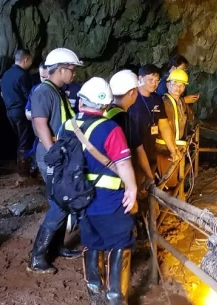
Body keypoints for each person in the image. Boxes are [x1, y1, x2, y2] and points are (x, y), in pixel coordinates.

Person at [61, 78, 137, 304]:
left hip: (80, 199)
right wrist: (132, 188)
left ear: (81, 100)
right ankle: (115, 297)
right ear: (105, 106)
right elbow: (122, 163)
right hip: (109, 200)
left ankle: (95, 293)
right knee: (120, 242)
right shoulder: (110, 128)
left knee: (92, 242)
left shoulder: (67, 126)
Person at [28, 48, 84, 273]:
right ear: (60, 69)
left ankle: (57, 246)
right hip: (52, 155)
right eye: (72, 69)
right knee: (60, 204)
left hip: (61, 153)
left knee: (64, 202)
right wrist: (54, 152)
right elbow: (40, 123)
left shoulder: (57, 91)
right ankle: (37, 257)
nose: (74, 74)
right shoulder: (44, 91)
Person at [128, 64, 179, 182]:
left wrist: (173, 150)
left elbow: (164, 125)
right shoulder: (131, 97)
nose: (154, 83)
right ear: (140, 79)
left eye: (157, 80)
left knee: (148, 182)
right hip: (133, 150)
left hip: (150, 147)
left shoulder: (156, 99)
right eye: (150, 80)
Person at [107, 69, 153, 189]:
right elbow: (139, 150)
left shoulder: (106, 111)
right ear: (132, 92)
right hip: (120, 177)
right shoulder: (124, 118)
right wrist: (149, 176)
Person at [0, 49, 35, 176]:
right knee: (25, 140)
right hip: (21, 112)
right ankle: (24, 171)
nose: (31, 63)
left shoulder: (6, 74)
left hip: (9, 112)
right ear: (25, 60)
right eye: (30, 60)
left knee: (20, 140)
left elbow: (3, 94)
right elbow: (29, 95)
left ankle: (22, 168)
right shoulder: (22, 75)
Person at [159, 69, 193, 190]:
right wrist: (172, 149)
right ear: (168, 85)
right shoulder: (165, 103)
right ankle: (167, 207)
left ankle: (174, 202)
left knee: (175, 178)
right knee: (169, 181)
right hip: (166, 148)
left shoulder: (179, 102)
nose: (178, 88)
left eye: (181, 85)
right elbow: (165, 127)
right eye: (175, 84)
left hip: (176, 146)